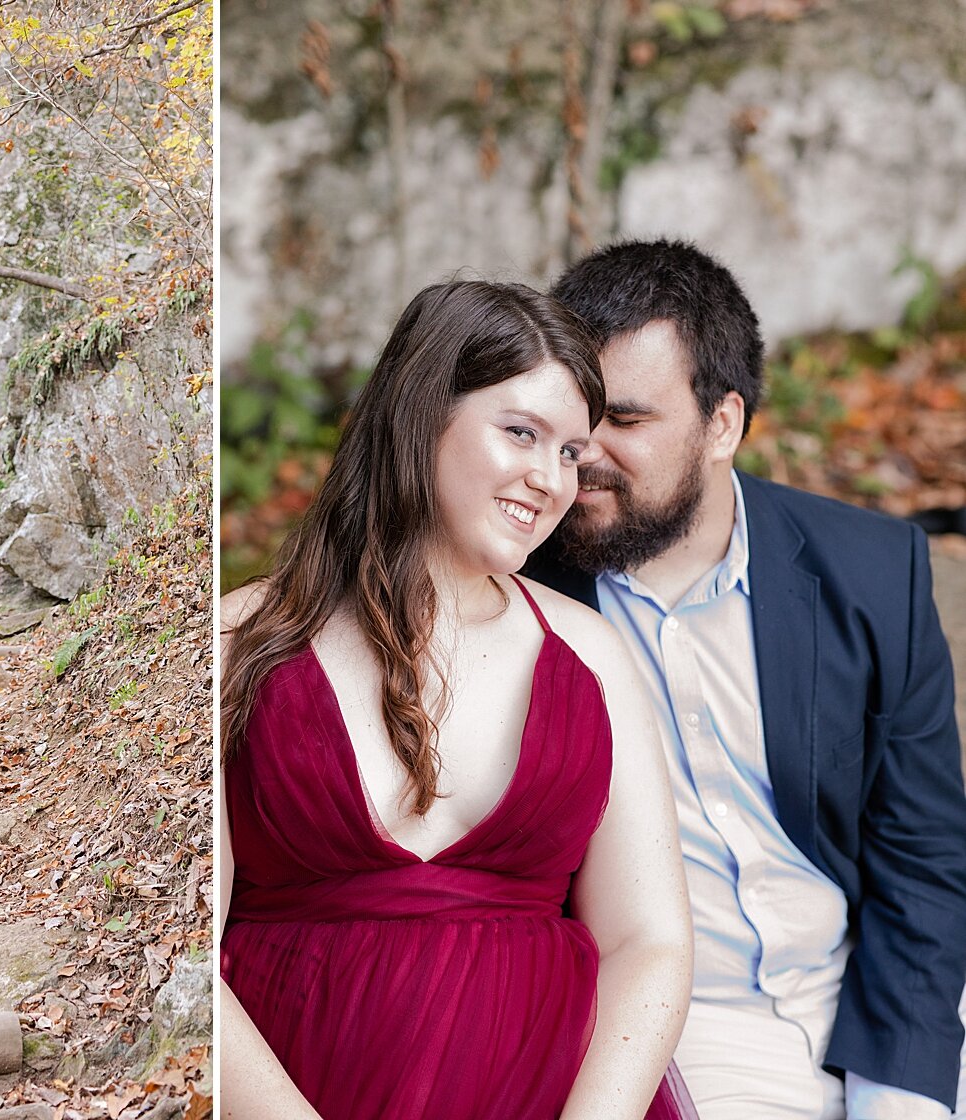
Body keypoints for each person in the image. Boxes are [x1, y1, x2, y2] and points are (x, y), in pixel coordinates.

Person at [220, 280, 696, 1120]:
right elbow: (185, 945)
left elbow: (647, 942)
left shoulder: (589, 658)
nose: (551, 480)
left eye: (569, 453)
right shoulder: (234, 648)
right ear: (420, 413)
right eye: (522, 433)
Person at [525, 238, 966, 1119]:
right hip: (684, 1031)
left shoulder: (875, 572)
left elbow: (923, 855)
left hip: (882, 990)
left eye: (630, 421)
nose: (585, 456)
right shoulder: (520, 591)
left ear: (723, 424)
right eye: (578, 418)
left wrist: (901, 1090)